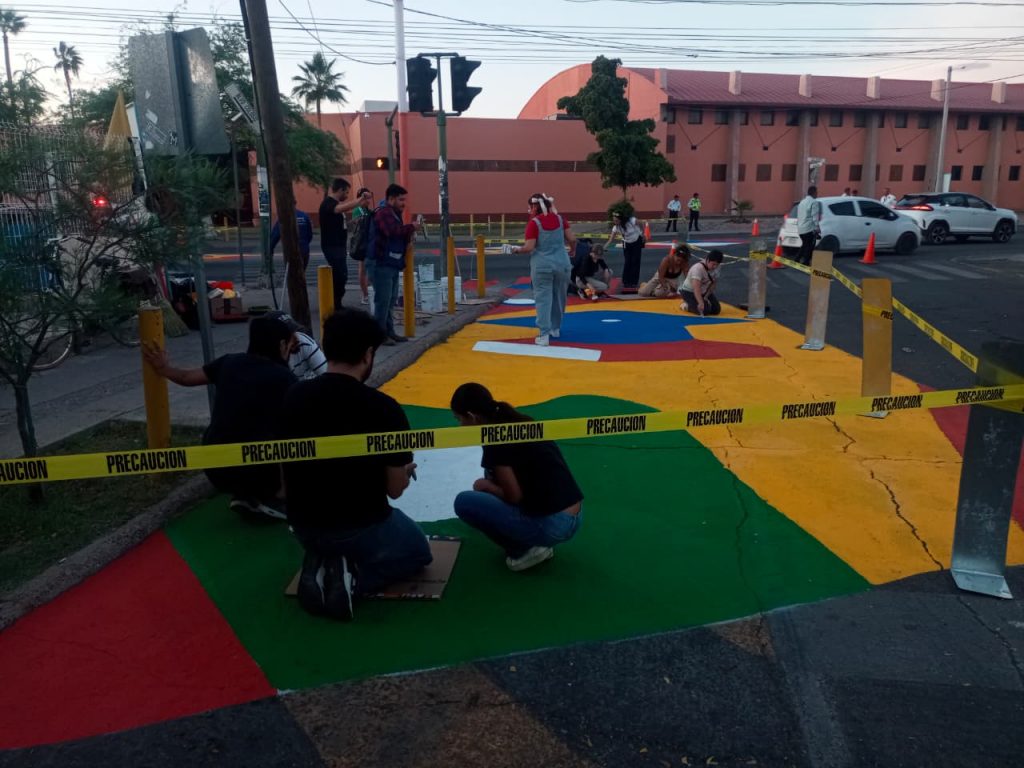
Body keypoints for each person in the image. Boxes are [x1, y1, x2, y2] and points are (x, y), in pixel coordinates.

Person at [282, 309, 433, 620]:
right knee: (418, 552)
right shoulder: (384, 409)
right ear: (368, 355)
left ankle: (323, 564)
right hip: (360, 526)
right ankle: (348, 579)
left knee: (334, 537)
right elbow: (395, 490)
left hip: (303, 525)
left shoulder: (293, 396)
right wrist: (404, 471)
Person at [142, 315, 296, 520]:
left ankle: (246, 494)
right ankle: (277, 497)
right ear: (282, 345)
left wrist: (163, 368)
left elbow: (187, 378)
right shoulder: (285, 378)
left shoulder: (229, 362)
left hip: (215, 467)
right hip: (259, 468)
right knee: (297, 440)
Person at [451, 383, 583, 572]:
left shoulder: (495, 439)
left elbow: (513, 496)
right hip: (574, 513)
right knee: (489, 478)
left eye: (459, 419)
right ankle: (532, 538)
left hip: (555, 524)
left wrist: (486, 487)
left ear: (472, 417)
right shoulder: (519, 420)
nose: (459, 426)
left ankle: (524, 550)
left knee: (465, 502)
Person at [506, 193, 576, 346]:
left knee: (543, 299)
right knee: (559, 297)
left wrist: (516, 249)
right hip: (562, 264)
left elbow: (529, 247)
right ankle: (555, 329)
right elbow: (572, 239)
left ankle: (544, 334)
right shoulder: (560, 219)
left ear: (533, 207)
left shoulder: (534, 223)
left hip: (542, 265)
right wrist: (572, 250)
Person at [371, 183, 423, 345]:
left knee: (390, 300)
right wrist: (411, 227)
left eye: (404, 200)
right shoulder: (383, 213)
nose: (403, 203)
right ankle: (380, 335)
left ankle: (389, 332)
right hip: (381, 263)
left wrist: (410, 233)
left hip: (392, 263)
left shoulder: (394, 214)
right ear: (391, 199)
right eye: (401, 200)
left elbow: (397, 234)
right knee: (383, 301)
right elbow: (392, 232)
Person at [319, 178, 371, 311]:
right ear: (340, 190)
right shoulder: (329, 203)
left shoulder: (335, 205)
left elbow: (339, 223)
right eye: (346, 192)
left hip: (339, 246)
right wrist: (359, 200)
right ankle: (334, 305)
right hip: (332, 246)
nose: (347, 196)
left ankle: (337, 303)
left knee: (341, 275)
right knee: (339, 275)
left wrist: (352, 222)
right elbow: (339, 209)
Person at [264, 310, 327, 380]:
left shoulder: (304, 342)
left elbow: (327, 377)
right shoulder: (263, 359)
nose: (294, 338)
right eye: (287, 334)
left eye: (293, 331)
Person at [605, 211, 643, 292]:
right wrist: (604, 247)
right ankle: (626, 282)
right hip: (626, 243)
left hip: (636, 241)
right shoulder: (616, 227)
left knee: (635, 261)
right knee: (627, 262)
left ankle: (634, 282)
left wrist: (642, 233)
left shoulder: (631, 220)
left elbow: (641, 223)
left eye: (616, 220)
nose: (614, 222)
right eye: (613, 220)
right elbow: (610, 239)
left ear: (621, 219)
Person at [348, 187, 374, 305]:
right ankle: (365, 294)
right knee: (363, 269)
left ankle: (368, 292)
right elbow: (356, 225)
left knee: (369, 268)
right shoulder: (358, 210)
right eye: (365, 198)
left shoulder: (368, 210)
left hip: (369, 242)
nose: (368, 200)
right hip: (362, 243)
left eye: (369, 198)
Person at [679, 249, 724, 316]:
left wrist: (706, 296)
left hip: (704, 291)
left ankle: (696, 303)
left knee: (716, 310)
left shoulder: (717, 267)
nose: (715, 267)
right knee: (704, 310)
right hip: (689, 291)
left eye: (717, 265)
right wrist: (701, 302)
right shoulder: (697, 269)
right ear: (707, 260)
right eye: (713, 264)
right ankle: (686, 305)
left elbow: (713, 284)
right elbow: (696, 288)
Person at [795, 185, 822, 266]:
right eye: (817, 192)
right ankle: (806, 262)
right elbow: (815, 217)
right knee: (810, 246)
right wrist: (817, 228)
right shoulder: (814, 202)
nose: (817, 194)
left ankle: (797, 259)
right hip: (809, 228)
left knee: (805, 245)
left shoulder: (802, 202)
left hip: (800, 228)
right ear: (814, 193)